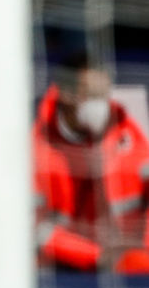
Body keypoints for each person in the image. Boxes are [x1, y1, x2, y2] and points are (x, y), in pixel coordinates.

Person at [34, 54, 149, 275]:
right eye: (93, 96)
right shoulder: (34, 146)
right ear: (66, 95)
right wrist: (96, 256)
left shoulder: (128, 132)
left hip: (128, 264)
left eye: (105, 94)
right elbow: (32, 226)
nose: (103, 104)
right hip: (59, 269)